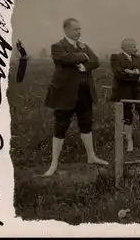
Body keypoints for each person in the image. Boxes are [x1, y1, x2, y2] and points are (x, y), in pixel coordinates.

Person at [43, 18, 108, 177]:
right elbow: (65, 59)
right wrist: (84, 56)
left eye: (80, 29)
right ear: (66, 30)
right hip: (64, 95)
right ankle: (54, 164)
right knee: (60, 127)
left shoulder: (83, 45)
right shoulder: (57, 46)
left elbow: (96, 61)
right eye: (75, 29)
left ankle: (91, 156)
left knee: (86, 124)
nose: (79, 32)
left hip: (84, 93)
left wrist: (85, 64)